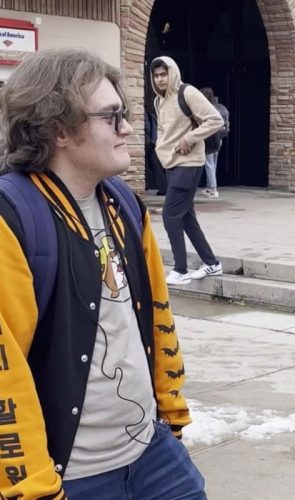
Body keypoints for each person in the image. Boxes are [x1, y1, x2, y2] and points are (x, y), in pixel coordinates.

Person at [0, 49, 206, 499]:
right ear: (59, 129)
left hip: (152, 455)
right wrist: (34, 489)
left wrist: (170, 419)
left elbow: (156, 315)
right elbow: (4, 374)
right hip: (69, 477)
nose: (128, 128)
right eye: (112, 116)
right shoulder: (11, 218)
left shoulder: (123, 203)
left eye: (125, 114)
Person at [151, 57, 223, 285]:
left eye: (164, 74)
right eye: (156, 75)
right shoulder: (158, 101)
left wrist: (191, 137)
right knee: (186, 216)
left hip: (190, 164)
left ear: (172, 72)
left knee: (170, 215)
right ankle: (212, 263)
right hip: (172, 164)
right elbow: (164, 131)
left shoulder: (187, 92)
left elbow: (215, 119)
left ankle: (180, 269)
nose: (160, 79)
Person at [199, 87, 230, 199]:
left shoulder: (207, 108)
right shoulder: (219, 107)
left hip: (209, 139)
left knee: (209, 163)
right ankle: (210, 186)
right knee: (213, 164)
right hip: (219, 139)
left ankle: (213, 189)